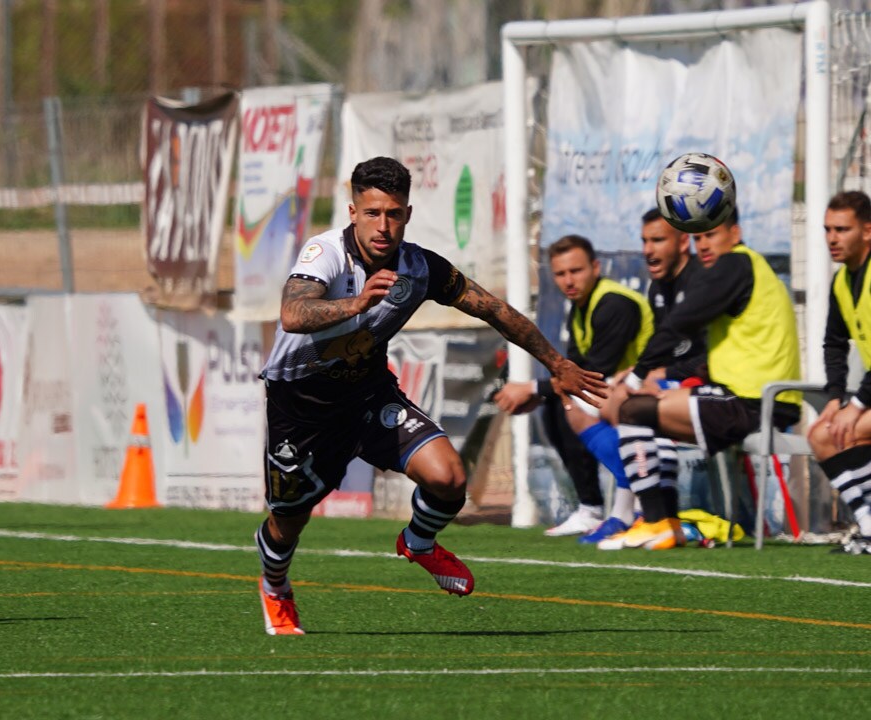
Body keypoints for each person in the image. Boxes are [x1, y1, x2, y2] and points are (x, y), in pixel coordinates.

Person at [255, 157, 608, 635]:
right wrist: (356, 303)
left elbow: (495, 310)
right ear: (353, 211)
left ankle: (418, 542)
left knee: (449, 477)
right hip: (301, 407)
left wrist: (557, 363)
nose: (384, 226)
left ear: (407, 213)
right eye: (373, 213)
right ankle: (276, 587)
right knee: (288, 522)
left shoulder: (419, 268)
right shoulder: (326, 254)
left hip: (366, 396)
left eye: (394, 214)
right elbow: (293, 313)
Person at [598, 207, 802, 550]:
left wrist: (640, 375)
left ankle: (654, 520)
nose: (703, 245)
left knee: (632, 408)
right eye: (698, 237)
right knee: (637, 410)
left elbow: (682, 324)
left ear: (735, 233)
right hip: (741, 396)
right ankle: (662, 522)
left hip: (755, 400)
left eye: (711, 235)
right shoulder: (733, 267)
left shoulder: (735, 263)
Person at [493, 234, 652, 537]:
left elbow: (595, 374)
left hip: (647, 390)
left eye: (576, 271)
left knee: (570, 400)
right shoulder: (582, 306)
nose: (568, 280)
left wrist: (530, 388)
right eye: (561, 273)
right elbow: (578, 373)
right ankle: (591, 508)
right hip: (617, 395)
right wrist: (541, 393)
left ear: (595, 266)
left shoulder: (614, 304)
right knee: (558, 401)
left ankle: (633, 500)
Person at [572, 209, 709, 544]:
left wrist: (651, 375)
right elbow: (664, 349)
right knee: (579, 405)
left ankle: (642, 515)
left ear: (683, 242)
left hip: (708, 385)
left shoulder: (702, 282)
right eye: (645, 240)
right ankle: (634, 510)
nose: (648, 249)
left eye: (658, 240)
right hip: (670, 381)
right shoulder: (658, 288)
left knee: (626, 402)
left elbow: (708, 357)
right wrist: (635, 372)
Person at [806, 190, 871, 555]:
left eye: (842, 229)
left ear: (867, 231)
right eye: (828, 229)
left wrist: (858, 403)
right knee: (823, 433)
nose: (832, 238)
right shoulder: (842, 282)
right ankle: (867, 523)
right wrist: (835, 398)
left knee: (841, 429)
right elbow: (834, 343)